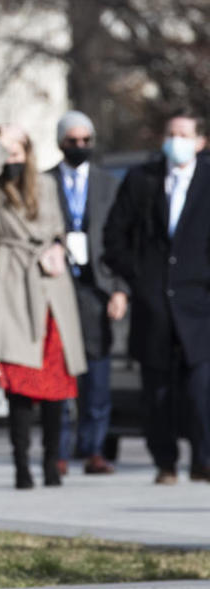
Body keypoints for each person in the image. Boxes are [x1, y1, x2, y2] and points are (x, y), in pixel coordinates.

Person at [0, 124, 86, 489]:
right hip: (14, 287)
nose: (13, 159)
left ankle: (54, 461)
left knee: (54, 385)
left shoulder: (46, 185)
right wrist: (1, 145)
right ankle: (21, 463)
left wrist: (57, 244)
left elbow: (57, 227)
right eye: (7, 152)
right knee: (19, 385)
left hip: (50, 286)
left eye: (19, 151)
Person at [103, 108, 210, 485]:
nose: (176, 141)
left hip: (199, 306)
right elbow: (114, 238)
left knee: (201, 389)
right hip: (155, 306)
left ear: (200, 141)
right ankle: (165, 462)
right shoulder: (142, 180)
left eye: (184, 134)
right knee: (158, 391)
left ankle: (203, 459)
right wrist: (138, 279)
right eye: (171, 134)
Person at [46, 111, 123, 475]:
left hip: (96, 287)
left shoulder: (107, 184)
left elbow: (121, 240)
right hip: (58, 287)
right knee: (59, 371)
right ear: (61, 143)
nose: (79, 147)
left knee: (97, 372)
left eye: (85, 141)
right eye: (72, 141)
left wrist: (119, 288)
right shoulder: (44, 183)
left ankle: (92, 447)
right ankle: (57, 449)